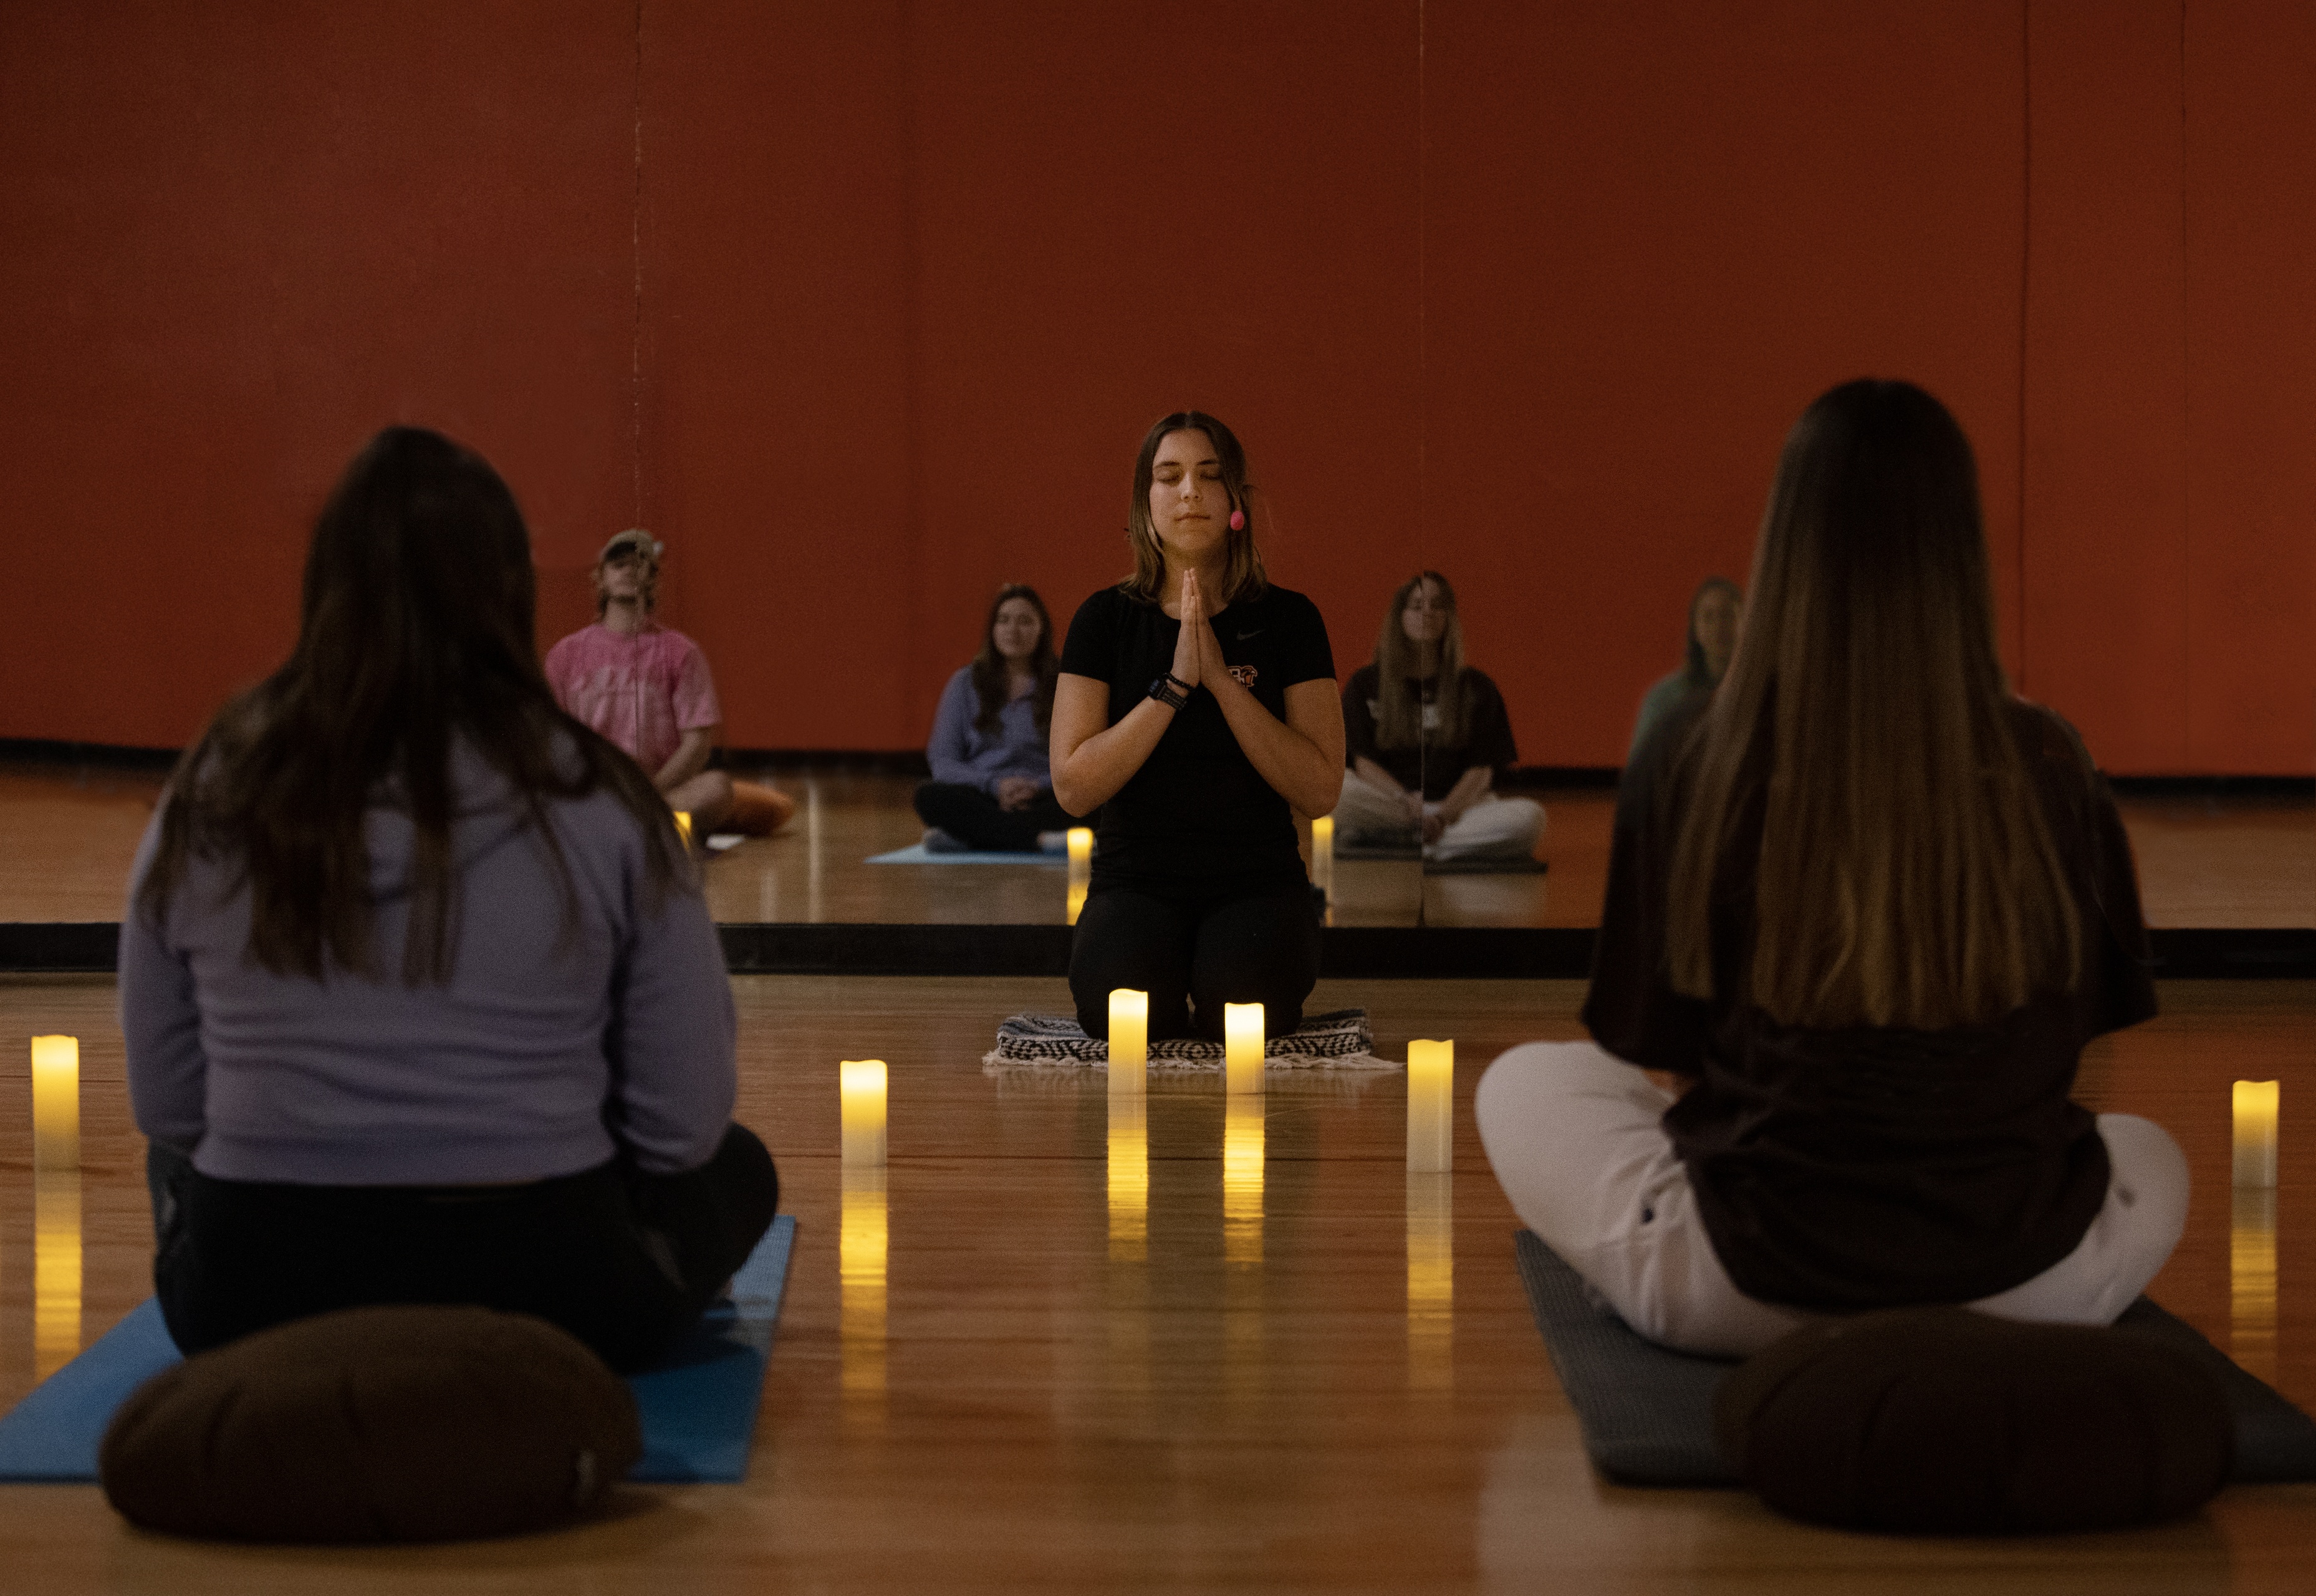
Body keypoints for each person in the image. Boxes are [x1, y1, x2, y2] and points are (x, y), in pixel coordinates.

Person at [1474, 380, 2186, 1358]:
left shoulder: (1691, 750)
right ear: (1960, 551)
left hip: (1748, 1284)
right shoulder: (2049, 761)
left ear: (1785, 539)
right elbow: (2071, 1060)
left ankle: (1684, 1293)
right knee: (2150, 1154)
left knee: (1522, 1084)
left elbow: (1672, 1062)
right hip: (2027, 1284)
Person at [121, 428, 778, 1374]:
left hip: (254, 1292)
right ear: (508, 590)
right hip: (554, 1288)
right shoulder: (598, 796)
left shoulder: (215, 782)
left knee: (181, 1165)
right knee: (738, 1165)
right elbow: (682, 1121)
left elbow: (170, 1106)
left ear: (325, 587)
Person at [1051, 411, 1344, 1042]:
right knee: (1126, 1017)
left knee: (1241, 1014)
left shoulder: (1291, 620)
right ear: (1145, 501)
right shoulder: (1103, 620)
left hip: (1256, 882)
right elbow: (1073, 788)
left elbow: (1320, 790)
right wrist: (1174, 687)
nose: (1189, 491)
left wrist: (1220, 680)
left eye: (1209, 476)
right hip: (1135, 881)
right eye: (1169, 476)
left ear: (1236, 500)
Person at [544, 529, 794, 839]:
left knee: (717, 789)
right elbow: (548, 736)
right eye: (618, 564)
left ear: (651, 579)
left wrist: (651, 791)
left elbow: (697, 743)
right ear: (602, 579)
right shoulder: (565, 654)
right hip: (593, 792)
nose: (628, 571)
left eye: (638, 564)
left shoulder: (679, 652)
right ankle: (647, 831)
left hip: (661, 793)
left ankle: (631, 829)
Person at [1336, 570, 1544, 862]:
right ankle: (1443, 846)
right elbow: (1362, 763)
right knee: (1339, 792)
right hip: (1393, 807)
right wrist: (1406, 801)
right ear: (1400, 617)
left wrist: (1444, 815)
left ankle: (1406, 844)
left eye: (1437, 605)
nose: (1428, 613)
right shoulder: (1365, 684)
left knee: (1530, 817)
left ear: (1449, 618)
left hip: (1458, 812)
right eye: (1417, 606)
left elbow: (1481, 772)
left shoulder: (1477, 687)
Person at [913, 584, 1072, 853]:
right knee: (928, 796)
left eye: (1025, 621)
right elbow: (943, 760)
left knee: (1102, 800)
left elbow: (1078, 757)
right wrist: (994, 786)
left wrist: (1038, 785)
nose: (1013, 630)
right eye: (1004, 620)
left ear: (1042, 629)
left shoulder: (1065, 683)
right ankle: (1038, 840)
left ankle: (969, 837)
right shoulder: (965, 683)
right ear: (993, 630)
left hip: (1045, 794)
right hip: (983, 794)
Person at [1627, 576, 1742, 764]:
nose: (1719, 626)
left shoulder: (1765, 695)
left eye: (1728, 615)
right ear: (1695, 629)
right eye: (1709, 617)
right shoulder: (1664, 700)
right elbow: (1641, 772)